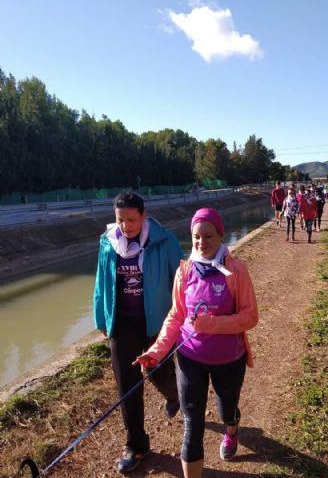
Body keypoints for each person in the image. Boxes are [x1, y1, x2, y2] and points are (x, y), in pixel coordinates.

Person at [134, 208, 259, 478]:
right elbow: (176, 315)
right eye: (196, 237)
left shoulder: (237, 270)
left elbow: (250, 317)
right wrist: (156, 351)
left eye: (208, 236)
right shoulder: (185, 270)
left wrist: (213, 324)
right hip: (190, 358)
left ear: (221, 235)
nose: (202, 242)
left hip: (229, 360)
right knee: (192, 424)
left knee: (226, 411)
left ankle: (231, 429)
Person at [93, 191, 183, 474]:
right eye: (120, 220)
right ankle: (136, 445)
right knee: (127, 384)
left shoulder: (164, 240)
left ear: (144, 216)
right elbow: (101, 281)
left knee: (159, 373)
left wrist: (185, 316)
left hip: (157, 322)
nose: (125, 226)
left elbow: (181, 279)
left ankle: (174, 395)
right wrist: (101, 317)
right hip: (122, 323)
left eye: (131, 220)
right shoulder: (108, 242)